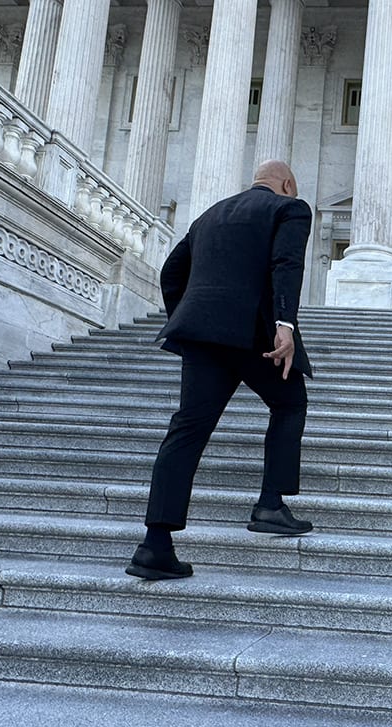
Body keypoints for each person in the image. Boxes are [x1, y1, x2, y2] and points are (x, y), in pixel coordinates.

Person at [126, 160, 314, 581]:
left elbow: (171, 272)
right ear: (287, 183)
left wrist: (187, 319)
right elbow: (286, 264)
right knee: (290, 404)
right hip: (255, 336)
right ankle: (270, 504)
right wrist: (285, 325)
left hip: (203, 336)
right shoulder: (290, 208)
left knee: (187, 430)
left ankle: (155, 544)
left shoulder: (208, 215)